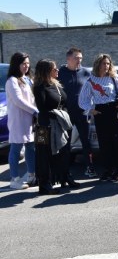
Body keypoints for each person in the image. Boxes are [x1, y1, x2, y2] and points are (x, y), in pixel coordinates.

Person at [78, 54, 118, 182]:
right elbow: (83, 100)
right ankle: (108, 169)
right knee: (104, 143)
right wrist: (91, 110)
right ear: (97, 64)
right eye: (103, 63)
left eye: (108, 63)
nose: (106, 66)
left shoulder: (114, 77)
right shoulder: (91, 80)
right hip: (100, 112)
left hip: (114, 110)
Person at [33, 59, 75, 195]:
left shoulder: (56, 84)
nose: (57, 70)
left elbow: (63, 102)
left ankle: (63, 178)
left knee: (62, 153)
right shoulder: (40, 87)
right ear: (46, 71)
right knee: (44, 156)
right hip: (44, 127)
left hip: (58, 124)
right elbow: (42, 108)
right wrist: (58, 114)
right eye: (54, 69)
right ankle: (44, 185)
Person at [57, 47, 94, 177]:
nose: (79, 60)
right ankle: (64, 170)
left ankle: (89, 168)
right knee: (65, 142)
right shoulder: (60, 72)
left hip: (83, 113)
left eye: (80, 58)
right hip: (66, 113)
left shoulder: (86, 72)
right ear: (68, 59)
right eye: (76, 58)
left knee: (86, 141)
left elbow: (92, 90)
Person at [5, 52, 38, 189]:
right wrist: (35, 111)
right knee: (16, 149)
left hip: (29, 120)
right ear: (16, 64)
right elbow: (18, 100)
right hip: (18, 120)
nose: (26, 66)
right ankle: (14, 179)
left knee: (30, 147)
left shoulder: (28, 79)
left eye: (28, 63)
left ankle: (32, 175)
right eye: (23, 63)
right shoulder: (12, 80)